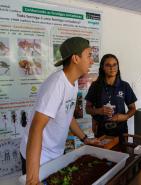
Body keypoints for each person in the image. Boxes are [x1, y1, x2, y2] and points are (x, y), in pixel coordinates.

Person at [20, 37, 94, 185]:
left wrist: (85, 139)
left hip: (55, 156)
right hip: (39, 159)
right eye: (89, 55)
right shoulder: (56, 85)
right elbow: (36, 127)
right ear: (75, 58)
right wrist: (32, 179)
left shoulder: (72, 83)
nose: (92, 60)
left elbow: (68, 116)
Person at [85, 54, 137, 142]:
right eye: (108, 65)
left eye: (114, 64)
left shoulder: (124, 86)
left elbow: (133, 108)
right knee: (102, 155)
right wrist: (99, 111)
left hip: (121, 131)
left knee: (122, 154)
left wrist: (125, 116)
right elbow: (87, 109)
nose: (112, 68)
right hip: (101, 131)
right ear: (103, 67)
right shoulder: (95, 86)